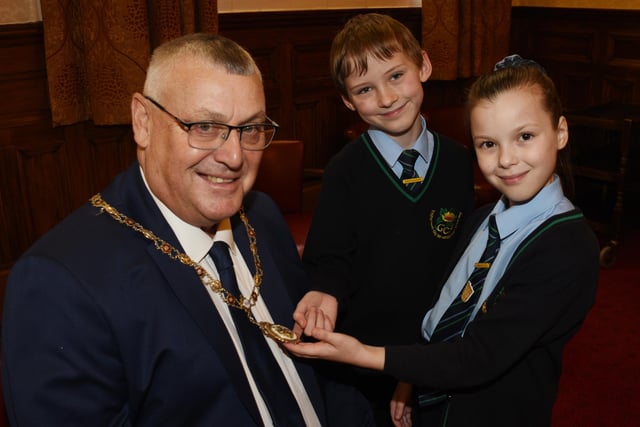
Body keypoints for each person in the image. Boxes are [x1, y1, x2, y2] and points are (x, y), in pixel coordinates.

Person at [1, 33, 373, 426]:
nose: (234, 157)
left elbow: (326, 372)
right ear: (143, 122)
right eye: (205, 127)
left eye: (250, 129)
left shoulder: (260, 216)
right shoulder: (59, 284)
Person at [287, 54, 600, 427]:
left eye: (525, 137)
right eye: (487, 144)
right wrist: (410, 377)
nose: (506, 160)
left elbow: (478, 357)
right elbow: (444, 309)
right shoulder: (484, 219)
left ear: (560, 132)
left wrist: (366, 355)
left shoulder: (567, 246)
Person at [294, 13, 475, 425]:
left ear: (423, 66)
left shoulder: (458, 161)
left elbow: (462, 265)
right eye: (365, 89)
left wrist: (422, 363)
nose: (387, 98)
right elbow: (329, 257)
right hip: (361, 361)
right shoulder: (345, 170)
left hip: (435, 353)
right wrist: (325, 291)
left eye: (396, 76)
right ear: (347, 100)